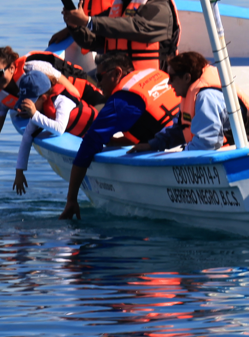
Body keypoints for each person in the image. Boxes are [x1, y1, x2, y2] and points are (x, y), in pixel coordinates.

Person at [58, 53, 180, 219]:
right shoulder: (153, 73)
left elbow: (88, 146)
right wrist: (117, 141)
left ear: (116, 73)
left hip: (175, 152)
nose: (98, 84)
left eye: (99, 77)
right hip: (194, 136)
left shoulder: (123, 100)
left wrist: (71, 199)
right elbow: (148, 123)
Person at [0, 46, 102, 187]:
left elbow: (73, 92)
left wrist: (50, 111)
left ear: (11, 68)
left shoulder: (35, 69)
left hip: (79, 91)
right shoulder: (0, 100)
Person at [131, 51, 249, 152]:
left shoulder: (207, 97)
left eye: (172, 77)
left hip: (248, 153)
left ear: (187, 78)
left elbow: (207, 143)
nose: (168, 83)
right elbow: (181, 129)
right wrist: (153, 144)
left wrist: (181, 157)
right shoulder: (190, 96)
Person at [62, 0, 181, 72]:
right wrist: (74, 27)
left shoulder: (159, 5)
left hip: (151, 81)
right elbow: (92, 41)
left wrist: (88, 21)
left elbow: (137, 27)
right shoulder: (118, 8)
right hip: (116, 77)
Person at [8, 70, 97, 195]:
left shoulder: (62, 101)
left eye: (30, 102)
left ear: (43, 97)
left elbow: (59, 129)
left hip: (104, 135)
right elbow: (27, 137)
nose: (26, 108)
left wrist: (34, 114)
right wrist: (19, 172)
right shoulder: (40, 109)